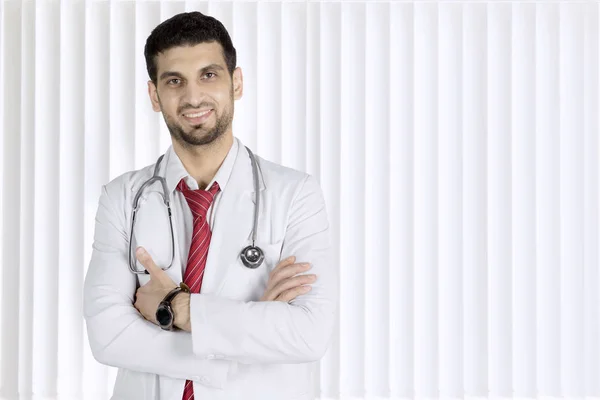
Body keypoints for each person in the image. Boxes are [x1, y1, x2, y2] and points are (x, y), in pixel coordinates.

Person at [82, 11, 338, 400]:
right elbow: (108, 335)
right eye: (174, 81)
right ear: (155, 95)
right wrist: (247, 334)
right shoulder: (122, 198)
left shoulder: (295, 194)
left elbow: (309, 333)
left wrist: (174, 308)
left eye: (209, 75)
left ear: (236, 82)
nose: (193, 97)